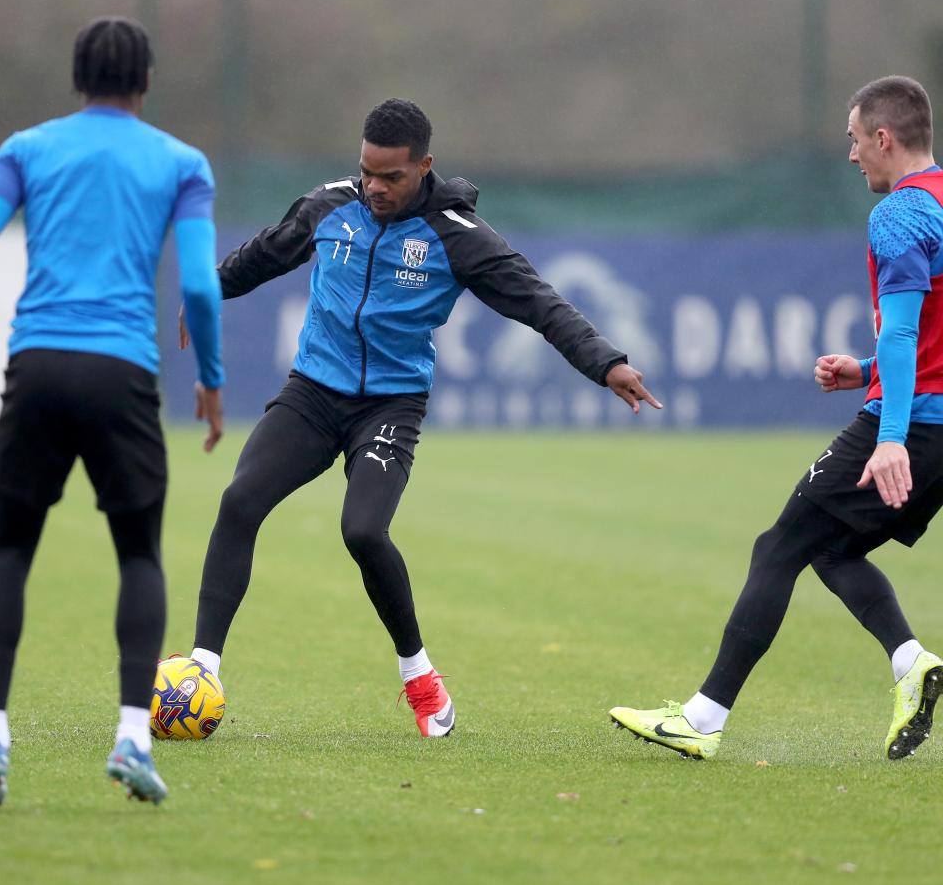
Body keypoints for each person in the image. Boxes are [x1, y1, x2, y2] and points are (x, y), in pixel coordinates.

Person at [178, 98, 659, 737]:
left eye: (391, 177)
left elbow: (539, 303)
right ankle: (202, 669)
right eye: (367, 172)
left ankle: (419, 676)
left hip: (389, 406)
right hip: (312, 395)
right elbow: (267, 252)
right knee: (240, 499)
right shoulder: (330, 206)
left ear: (424, 167)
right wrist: (209, 291)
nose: (374, 187)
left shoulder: (458, 235)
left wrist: (607, 363)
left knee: (364, 533)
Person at [0, 16, 225, 805]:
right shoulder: (182, 164)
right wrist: (213, 377)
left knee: (10, 551)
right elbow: (197, 284)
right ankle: (131, 739)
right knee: (138, 557)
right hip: (122, 371)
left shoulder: (25, 149)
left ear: (76, 78)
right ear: (147, 82)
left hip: (39, 364)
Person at [611, 75, 943, 761]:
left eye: (855, 141)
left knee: (778, 547)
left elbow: (908, 334)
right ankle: (911, 662)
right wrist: (865, 369)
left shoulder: (901, 215)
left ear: (884, 138)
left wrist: (888, 436)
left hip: (913, 426)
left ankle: (702, 719)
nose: (851, 156)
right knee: (831, 548)